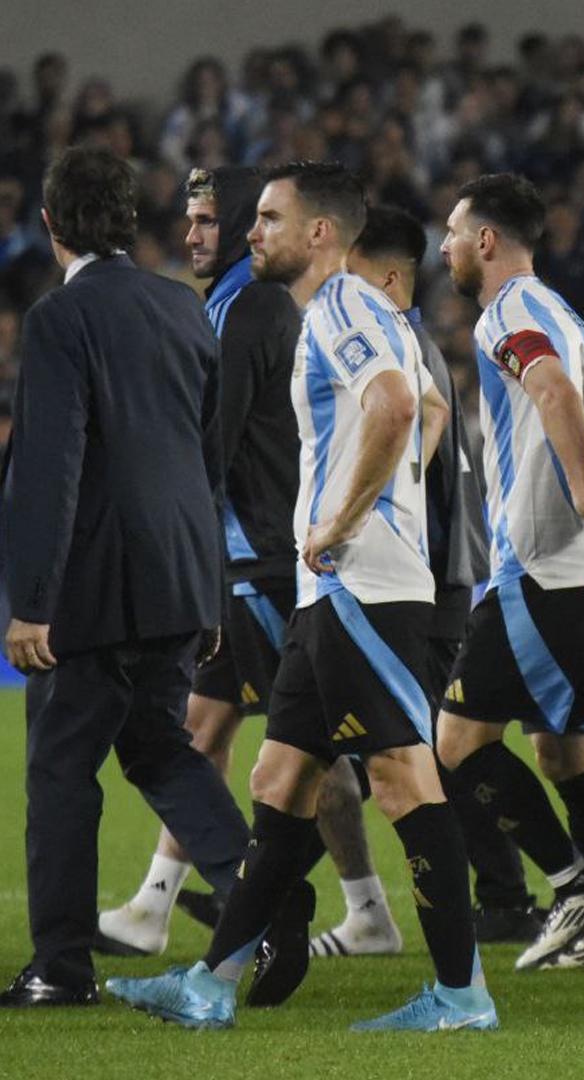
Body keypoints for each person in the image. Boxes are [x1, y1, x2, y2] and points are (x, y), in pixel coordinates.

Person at [107, 162, 499, 1033]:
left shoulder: (343, 308)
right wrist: (386, 503)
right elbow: (431, 407)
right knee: (280, 778)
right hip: (343, 590)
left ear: (321, 232)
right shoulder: (362, 311)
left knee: (403, 780)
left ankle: (463, 996)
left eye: (271, 218)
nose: (253, 231)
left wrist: (343, 522)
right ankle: (210, 984)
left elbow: (400, 403)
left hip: (360, 589)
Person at [0, 146, 249, 1008]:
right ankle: (265, 905)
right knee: (156, 747)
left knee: (61, 769)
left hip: (96, 590)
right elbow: (205, 464)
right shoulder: (185, 310)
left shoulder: (58, 320)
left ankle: (62, 968)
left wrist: (32, 604)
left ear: (50, 225)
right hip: (180, 579)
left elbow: (50, 465)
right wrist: (210, 589)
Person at [436, 172, 584, 970]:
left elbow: (554, 389)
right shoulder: (559, 308)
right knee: (567, 752)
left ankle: (571, 888)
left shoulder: (511, 312)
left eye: (455, 234)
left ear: (487, 241)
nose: (446, 247)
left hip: (541, 573)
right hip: (582, 575)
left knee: (455, 744)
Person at [309, 203, 539, 959]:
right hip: (435, 571)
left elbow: (422, 444)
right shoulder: (410, 340)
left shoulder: (386, 339)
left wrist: (386, 544)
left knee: (425, 754)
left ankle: (509, 897)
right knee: (403, 752)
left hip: (429, 575)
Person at [95, 164, 304, 960]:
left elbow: (206, 440)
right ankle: (367, 908)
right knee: (335, 755)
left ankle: (161, 907)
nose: (193, 234)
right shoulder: (233, 304)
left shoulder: (246, 307)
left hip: (252, 557)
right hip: (263, 555)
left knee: (207, 729)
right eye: (192, 220)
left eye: (211, 220)